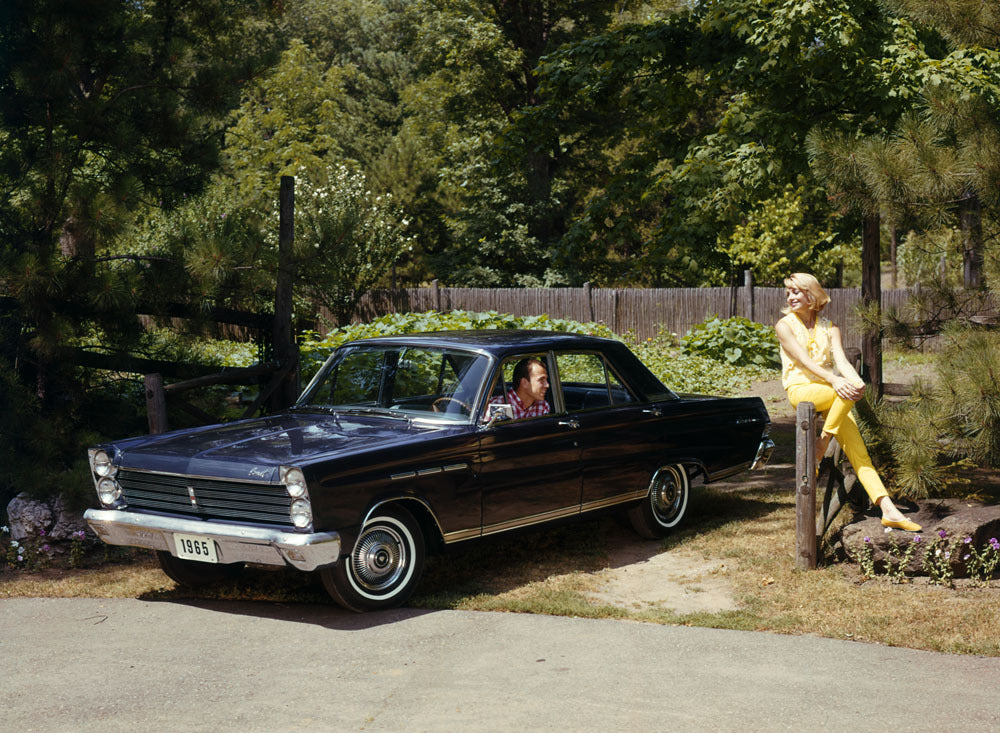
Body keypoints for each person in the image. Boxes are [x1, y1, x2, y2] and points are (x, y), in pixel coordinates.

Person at [775, 273, 921, 531]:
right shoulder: (784, 326)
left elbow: (842, 361)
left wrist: (856, 381)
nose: (791, 297)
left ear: (812, 294)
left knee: (859, 454)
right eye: (788, 292)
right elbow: (803, 362)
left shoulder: (830, 327)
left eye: (796, 291)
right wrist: (836, 381)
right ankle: (821, 446)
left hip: (832, 394)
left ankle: (888, 509)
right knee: (840, 392)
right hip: (800, 390)